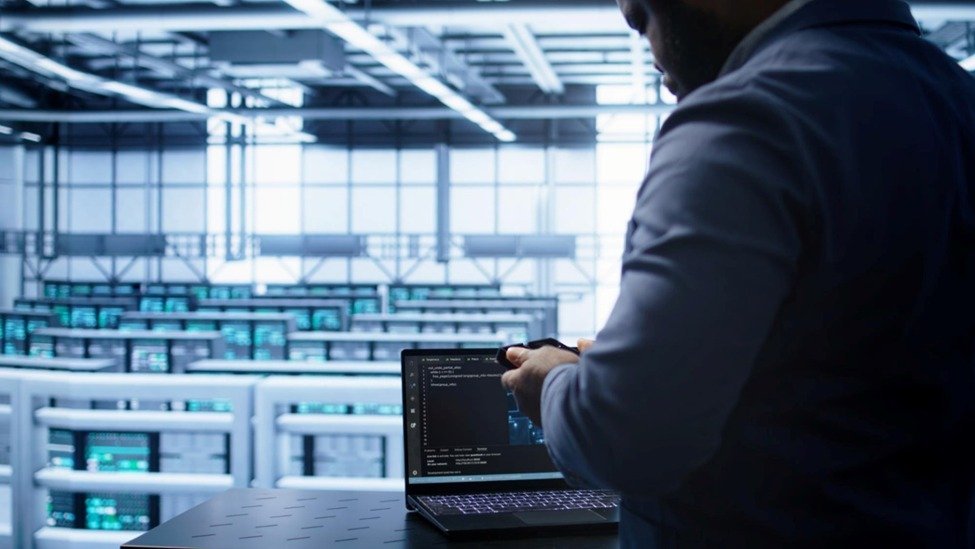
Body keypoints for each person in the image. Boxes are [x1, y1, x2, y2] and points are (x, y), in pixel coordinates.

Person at [501, 0, 975, 546]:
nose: (641, 32)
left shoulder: (747, 117)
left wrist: (555, 381)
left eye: (644, 19)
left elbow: (628, 441)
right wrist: (652, 354)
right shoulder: (953, 98)